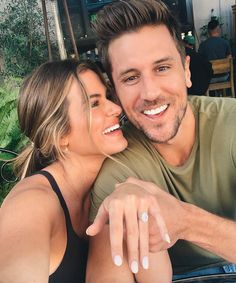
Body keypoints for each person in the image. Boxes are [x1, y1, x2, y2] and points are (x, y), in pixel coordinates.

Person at [86, 0, 236, 280]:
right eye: (131, 77)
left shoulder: (232, 124)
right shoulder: (119, 171)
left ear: (187, 70)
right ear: (115, 92)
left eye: (163, 68)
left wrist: (185, 222)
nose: (151, 92)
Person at [0, 59, 171, 282]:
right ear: (60, 136)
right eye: (94, 104)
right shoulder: (31, 204)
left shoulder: (114, 185)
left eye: (107, 97)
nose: (116, 108)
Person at [198, 19, 231, 83]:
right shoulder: (225, 43)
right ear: (218, 29)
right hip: (224, 76)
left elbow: (200, 62)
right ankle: (221, 92)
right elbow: (229, 58)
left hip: (210, 77)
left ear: (208, 31)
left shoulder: (203, 45)